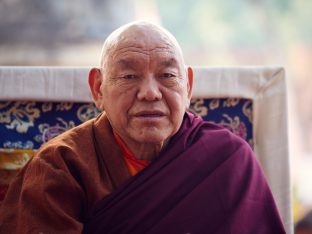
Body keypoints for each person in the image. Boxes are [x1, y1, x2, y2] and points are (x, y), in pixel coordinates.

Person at [0, 21, 285, 233]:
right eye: (129, 75)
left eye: (167, 75)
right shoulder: (59, 167)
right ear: (98, 88)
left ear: (188, 86)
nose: (150, 92)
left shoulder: (227, 160)